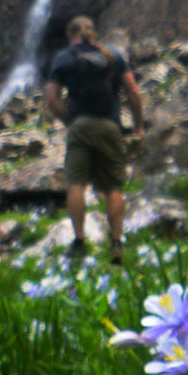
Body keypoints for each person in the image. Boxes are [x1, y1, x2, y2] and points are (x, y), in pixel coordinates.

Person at [44, 15, 144, 264]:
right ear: (94, 32)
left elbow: (51, 97)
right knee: (112, 187)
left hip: (80, 127)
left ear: (71, 34)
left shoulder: (64, 58)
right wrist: (138, 126)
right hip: (110, 126)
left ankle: (79, 241)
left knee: (76, 183)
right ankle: (116, 243)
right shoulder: (113, 55)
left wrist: (70, 120)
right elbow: (133, 91)